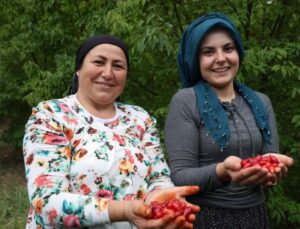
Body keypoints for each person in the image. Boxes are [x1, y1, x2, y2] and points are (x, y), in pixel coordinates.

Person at [23, 34, 200, 229]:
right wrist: (123, 210)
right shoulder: (51, 115)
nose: (108, 73)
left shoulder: (139, 118)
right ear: (78, 69)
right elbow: (46, 202)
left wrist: (164, 201)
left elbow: (159, 177)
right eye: (99, 62)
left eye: (118, 66)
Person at [164, 13, 294, 229]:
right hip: (205, 217)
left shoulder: (261, 102)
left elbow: (269, 162)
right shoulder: (185, 101)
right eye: (208, 52)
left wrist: (271, 173)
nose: (221, 58)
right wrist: (223, 171)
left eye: (228, 48)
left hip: (255, 216)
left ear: (238, 53)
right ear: (195, 59)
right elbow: (180, 176)